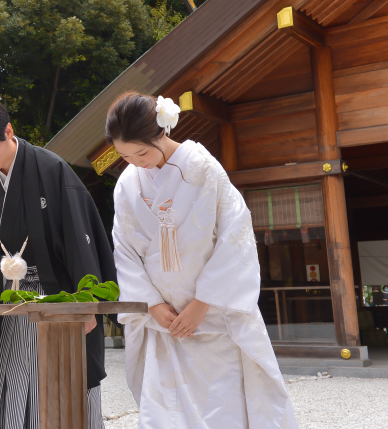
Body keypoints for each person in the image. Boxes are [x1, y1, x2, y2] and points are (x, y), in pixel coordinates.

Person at [107, 92, 298, 429]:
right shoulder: (126, 185)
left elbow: (235, 237)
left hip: (213, 316)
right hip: (164, 321)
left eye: (141, 152)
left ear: (161, 133)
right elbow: (123, 249)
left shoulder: (202, 168)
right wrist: (151, 303)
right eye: (124, 155)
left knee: (224, 408)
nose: (135, 162)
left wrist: (202, 303)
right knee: (165, 412)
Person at [0, 96, 117, 429]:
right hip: (11, 299)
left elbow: (79, 236)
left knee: (65, 377)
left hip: (58, 295)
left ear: (9, 131)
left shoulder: (52, 169)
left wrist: (87, 303)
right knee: (12, 377)